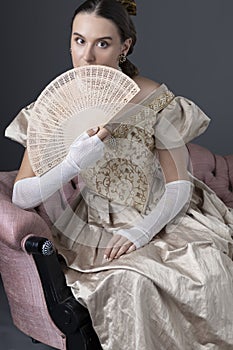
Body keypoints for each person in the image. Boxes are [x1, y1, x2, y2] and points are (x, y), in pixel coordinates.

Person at [4, 0, 233, 349]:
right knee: (130, 282)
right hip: (96, 220)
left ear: (124, 47)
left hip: (161, 212)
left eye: (103, 43)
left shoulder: (153, 98)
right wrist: (72, 164)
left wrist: (141, 232)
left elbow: (179, 185)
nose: (87, 56)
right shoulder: (53, 105)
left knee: (203, 272)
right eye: (79, 40)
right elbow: (21, 196)